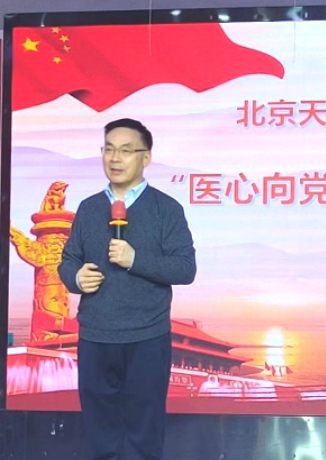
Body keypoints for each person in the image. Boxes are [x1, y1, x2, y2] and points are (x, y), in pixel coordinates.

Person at [58, 118, 196, 460]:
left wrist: (136, 260)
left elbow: (185, 269)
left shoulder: (166, 209)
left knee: (143, 433)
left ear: (146, 157)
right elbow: (68, 260)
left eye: (125, 150)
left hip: (146, 337)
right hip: (95, 335)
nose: (115, 158)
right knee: (99, 431)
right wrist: (75, 278)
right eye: (108, 149)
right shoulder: (89, 208)